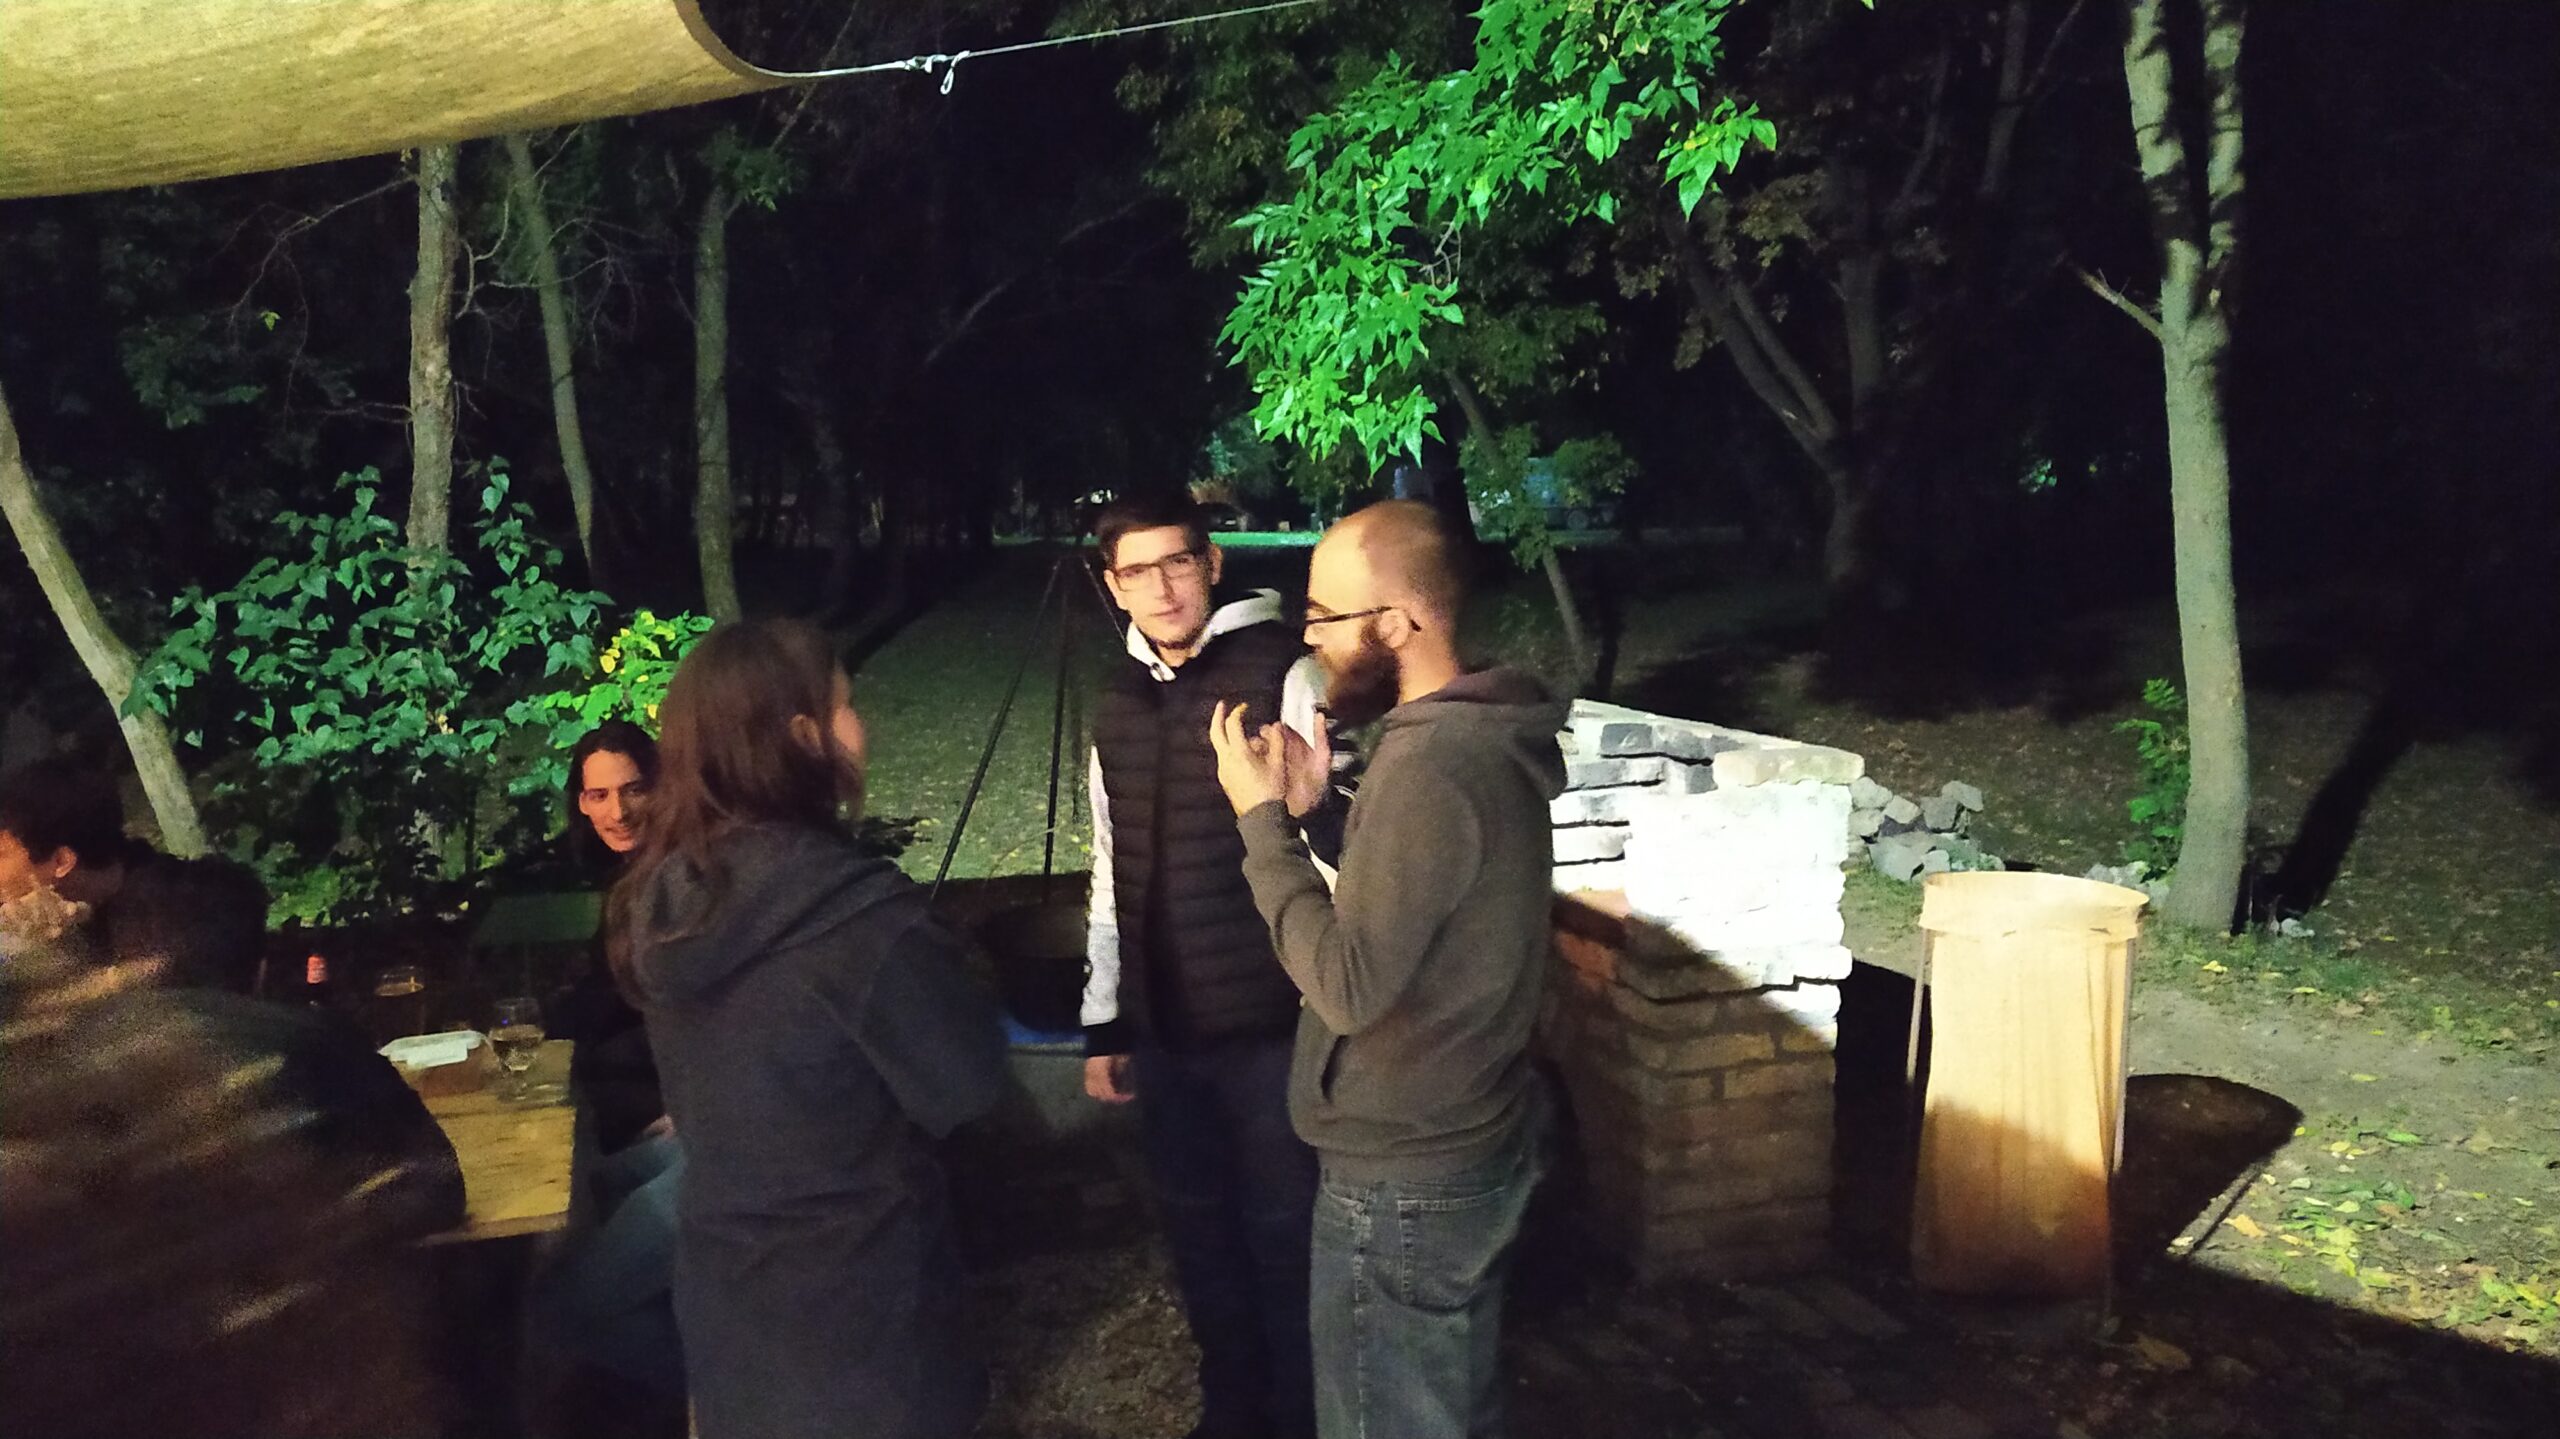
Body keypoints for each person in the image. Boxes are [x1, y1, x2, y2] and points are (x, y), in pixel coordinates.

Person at [1207, 500, 1569, 1439]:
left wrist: (1261, 823)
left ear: (1399, 622)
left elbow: (1348, 985)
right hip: (1464, 1134)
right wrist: (1321, 813)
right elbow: (1422, 901)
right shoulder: (1477, 737)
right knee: (1445, 1403)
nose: (1310, 637)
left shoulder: (1428, 768)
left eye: (1325, 615)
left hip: (1406, 1176)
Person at [607, 618, 1007, 1439]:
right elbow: (966, 1087)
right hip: (867, 1317)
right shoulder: (860, 917)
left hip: (729, 1308)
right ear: (803, 736)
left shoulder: (662, 901)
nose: (863, 726)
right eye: (846, 705)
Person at [1081, 491, 1345, 1439]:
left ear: (1214, 564)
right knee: (1199, 1234)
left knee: (1285, 1239)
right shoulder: (1117, 700)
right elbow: (1111, 860)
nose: (1162, 588)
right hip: (1166, 1028)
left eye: (1178, 562)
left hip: (1272, 1026)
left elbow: (1338, 851)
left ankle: (1302, 1417)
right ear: (1114, 586)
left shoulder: (1284, 673)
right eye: (1137, 571)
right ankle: (1231, 1410)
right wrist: (1106, 1017)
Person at [109, 854, 468, 1242]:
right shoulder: (316, 1043)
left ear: (119, 970)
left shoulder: (82, 1067)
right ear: (260, 969)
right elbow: (437, 1185)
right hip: (317, 1270)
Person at [529, 719, 686, 1419]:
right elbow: (606, 992)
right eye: (598, 795)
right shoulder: (631, 877)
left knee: (558, 1306)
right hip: (706, 1108)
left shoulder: (681, 878)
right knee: (581, 1193)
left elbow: (709, 1006)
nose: (617, 811)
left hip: (725, 1133)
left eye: (633, 789)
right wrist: (537, 1039)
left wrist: (693, 1096)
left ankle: (728, 1396)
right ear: (580, 802)